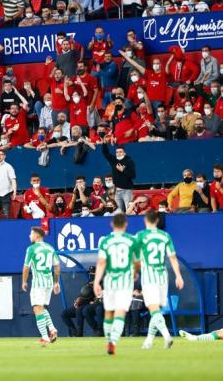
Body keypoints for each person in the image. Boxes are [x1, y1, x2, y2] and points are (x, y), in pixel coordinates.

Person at [136, 210, 185, 350]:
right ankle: (148, 342)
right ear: (157, 221)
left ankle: (167, 336)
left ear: (145, 221)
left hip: (149, 275)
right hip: (162, 275)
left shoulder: (140, 236)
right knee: (156, 310)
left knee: (153, 309)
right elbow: (173, 258)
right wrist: (178, 275)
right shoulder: (165, 236)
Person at [93, 213, 139, 356]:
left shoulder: (105, 241)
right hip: (125, 281)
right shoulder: (132, 240)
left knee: (109, 312)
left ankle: (108, 341)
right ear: (126, 224)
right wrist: (135, 271)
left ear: (112, 224)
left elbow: (101, 263)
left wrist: (96, 282)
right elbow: (137, 261)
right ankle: (113, 341)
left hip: (110, 281)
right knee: (120, 312)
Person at [22, 227, 60, 345]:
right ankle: (52, 329)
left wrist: (24, 281)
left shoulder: (31, 249)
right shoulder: (50, 248)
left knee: (37, 309)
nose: (29, 236)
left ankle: (45, 337)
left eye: (31, 234)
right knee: (41, 308)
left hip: (38, 283)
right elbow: (57, 266)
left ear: (37, 236)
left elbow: (26, 267)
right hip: (48, 282)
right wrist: (56, 282)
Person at [61, 266, 103, 337]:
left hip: (91, 304)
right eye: (90, 273)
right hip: (83, 303)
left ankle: (83, 332)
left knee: (80, 310)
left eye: (93, 273)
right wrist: (77, 300)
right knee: (64, 314)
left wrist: (93, 301)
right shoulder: (88, 283)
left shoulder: (101, 284)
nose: (91, 275)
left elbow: (98, 297)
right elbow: (82, 294)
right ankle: (74, 332)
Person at [102, 142, 136, 213]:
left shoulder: (129, 161)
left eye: (120, 152)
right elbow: (106, 153)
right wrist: (104, 143)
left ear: (124, 153)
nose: (118, 153)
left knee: (129, 211)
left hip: (127, 191)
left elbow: (133, 175)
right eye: (117, 152)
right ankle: (121, 224)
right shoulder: (114, 160)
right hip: (117, 191)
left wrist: (123, 170)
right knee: (119, 212)